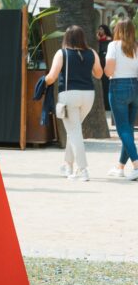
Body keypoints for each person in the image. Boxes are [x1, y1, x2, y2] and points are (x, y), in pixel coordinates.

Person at [45, 26, 103, 181]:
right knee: (74, 130)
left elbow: (51, 77)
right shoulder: (92, 53)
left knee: (74, 132)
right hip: (88, 96)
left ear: (67, 38)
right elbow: (99, 74)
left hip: (69, 95)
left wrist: (42, 81)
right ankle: (67, 165)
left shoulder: (62, 53)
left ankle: (83, 170)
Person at [106, 19, 138, 180]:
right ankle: (120, 167)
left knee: (123, 129)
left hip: (118, 86)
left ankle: (137, 165)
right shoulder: (136, 47)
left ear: (117, 30)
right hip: (135, 87)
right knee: (128, 129)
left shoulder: (113, 46)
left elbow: (109, 71)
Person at [97, 23, 112, 110]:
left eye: (101, 29)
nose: (100, 31)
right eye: (99, 29)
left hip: (106, 65)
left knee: (106, 85)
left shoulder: (109, 40)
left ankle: (107, 105)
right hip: (100, 66)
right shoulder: (98, 40)